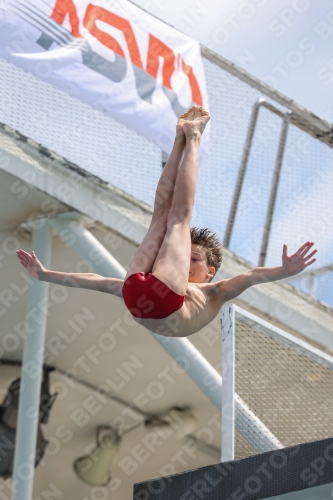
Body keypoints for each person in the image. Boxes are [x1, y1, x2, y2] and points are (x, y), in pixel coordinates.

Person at [16, 106, 317, 338]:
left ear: (211, 272)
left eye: (193, 258)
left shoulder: (215, 292)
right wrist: (46, 275)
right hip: (143, 296)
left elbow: (251, 277)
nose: (184, 261)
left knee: (177, 218)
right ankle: (181, 139)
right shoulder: (185, 283)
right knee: (163, 216)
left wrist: (283, 271)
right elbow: (103, 282)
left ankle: (192, 137)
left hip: (151, 299)